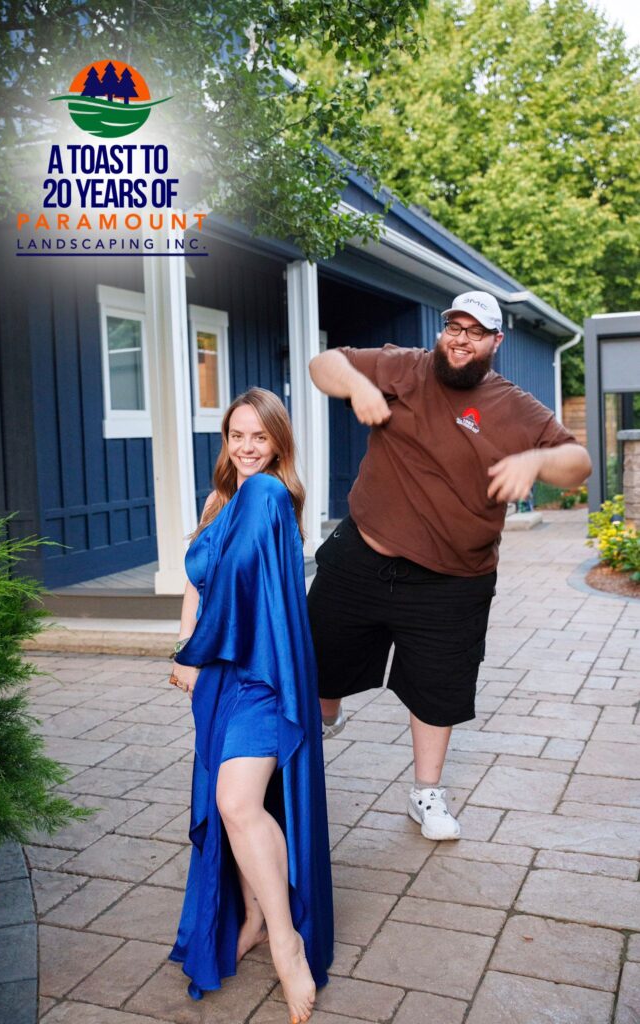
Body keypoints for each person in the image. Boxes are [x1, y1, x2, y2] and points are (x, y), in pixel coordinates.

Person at [307, 291, 591, 841]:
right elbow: (325, 364)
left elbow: (577, 463)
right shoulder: (405, 367)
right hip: (362, 555)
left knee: (438, 690)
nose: (461, 340)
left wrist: (536, 460)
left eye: (475, 332)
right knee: (316, 660)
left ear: (495, 342)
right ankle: (323, 719)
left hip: (452, 579)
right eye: (454, 328)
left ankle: (427, 793)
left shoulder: (514, 407)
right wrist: (359, 386)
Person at [168, 387, 333, 1023]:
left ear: (278, 443)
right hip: (218, 678)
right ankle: (256, 918)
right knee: (240, 807)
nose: (246, 447)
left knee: (236, 802)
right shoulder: (220, 501)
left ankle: (287, 942)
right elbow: (197, 581)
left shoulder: (268, 495)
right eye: (236, 435)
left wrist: (196, 650)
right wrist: (186, 647)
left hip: (263, 674)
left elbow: (239, 583)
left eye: (259, 437)